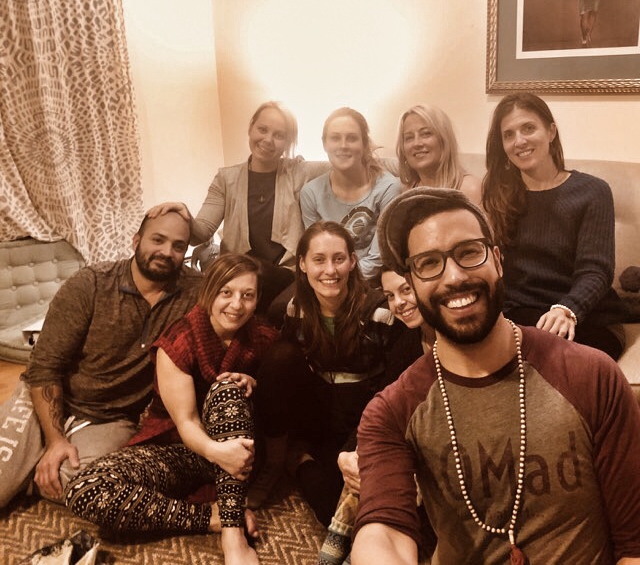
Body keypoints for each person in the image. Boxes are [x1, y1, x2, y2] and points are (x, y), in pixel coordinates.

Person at [351, 187, 640, 564]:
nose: (454, 276)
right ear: (413, 283)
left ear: (498, 261)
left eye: (468, 252)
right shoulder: (391, 413)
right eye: (428, 263)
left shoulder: (592, 376)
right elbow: (384, 530)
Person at [66, 254, 280, 565]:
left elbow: (282, 392)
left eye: (248, 295)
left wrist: (256, 382)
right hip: (183, 448)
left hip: (240, 451)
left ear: (257, 299)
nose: (237, 304)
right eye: (226, 292)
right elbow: (187, 422)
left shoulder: (262, 337)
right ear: (209, 292)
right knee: (85, 489)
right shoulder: (179, 340)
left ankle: (232, 534)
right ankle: (210, 517)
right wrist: (215, 452)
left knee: (229, 389)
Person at [6, 212, 201, 506]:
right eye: (157, 240)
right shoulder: (91, 284)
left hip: (111, 418)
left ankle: (32, 472)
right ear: (136, 240)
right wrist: (56, 440)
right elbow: (44, 367)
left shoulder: (194, 291)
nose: (166, 252)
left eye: (178, 246)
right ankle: (31, 466)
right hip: (46, 399)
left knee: (88, 485)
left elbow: (237, 289)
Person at [148, 100, 329, 323]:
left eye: (279, 135)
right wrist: (184, 214)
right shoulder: (226, 179)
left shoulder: (299, 171)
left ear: (287, 142)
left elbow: (344, 163)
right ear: (251, 128)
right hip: (237, 272)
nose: (268, 140)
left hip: (284, 274)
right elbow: (201, 233)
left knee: (252, 273)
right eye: (262, 129)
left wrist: (367, 156)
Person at [482, 92, 625, 359]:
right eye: (509, 134)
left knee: (542, 358)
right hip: (521, 314)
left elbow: (596, 270)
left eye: (528, 128)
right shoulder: (497, 193)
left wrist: (566, 309)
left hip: (584, 316)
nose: (519, 141)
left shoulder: (592, 192)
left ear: (551, 131)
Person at [279, 221, 398, 529]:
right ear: (303, 264)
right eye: (319, 259)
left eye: (339, 259)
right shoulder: (296, 309)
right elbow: (287, 367)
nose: (330, 270)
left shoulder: (380, 312)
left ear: (352, 261)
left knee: (364, 504)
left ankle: (302, 460)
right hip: (318, 415)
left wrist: (357, 444)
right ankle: (295, 457)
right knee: (330, 506)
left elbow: (391, 388)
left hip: (363, 417)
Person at [318, 266, 435, 565]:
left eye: (405, 290)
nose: (399, 303)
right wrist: (348, 453)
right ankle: (340, 536)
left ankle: (342, 539)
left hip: (437, 450)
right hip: (406, 438)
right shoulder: (409, 341)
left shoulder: (453, 339)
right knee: (361, 460)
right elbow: (382, 402)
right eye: (390, 296)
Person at [300, 107, 402, 280]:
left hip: (374, 281)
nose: (343, 145)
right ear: (324, 144)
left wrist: (343, 280)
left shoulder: (388, 188)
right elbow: (316, 252)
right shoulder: (310, 193)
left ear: (364, 144)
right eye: (335, 138)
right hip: (329, 277)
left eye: (352, 138)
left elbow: (378, 258)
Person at [395, 104, 482, 205]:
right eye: (409, 138)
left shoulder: (470, 189)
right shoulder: (407, 192)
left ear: (444, 140)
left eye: (426, 134)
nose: (417, 143)